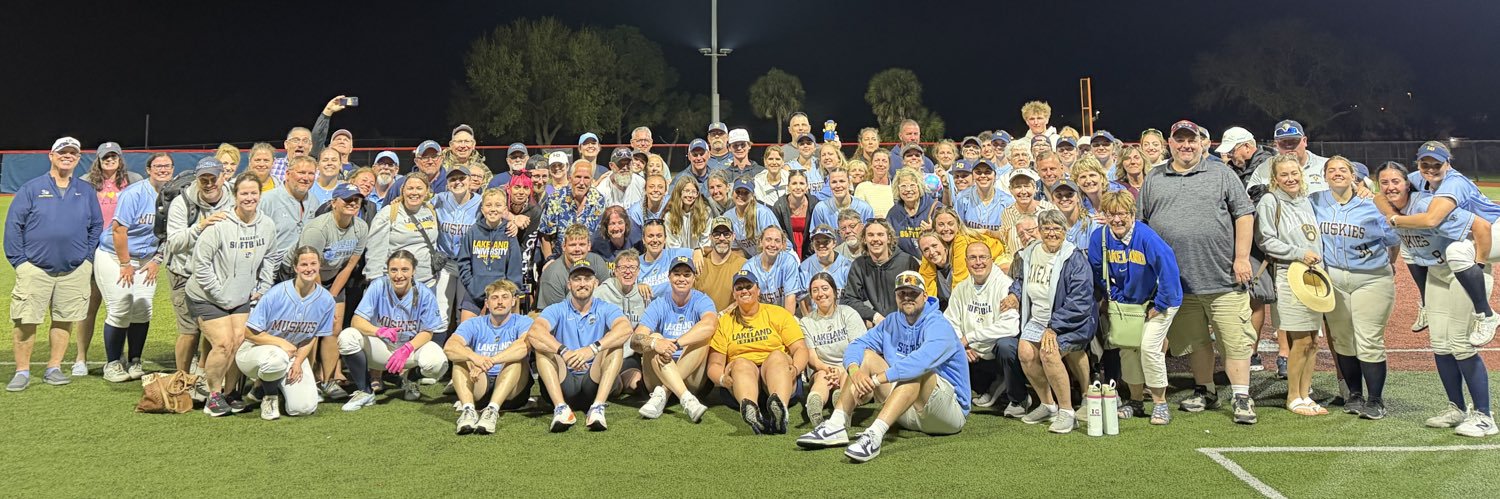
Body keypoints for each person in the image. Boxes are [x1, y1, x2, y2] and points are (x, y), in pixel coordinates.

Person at [1137, 120, 1259, 424]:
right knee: (1195, 342)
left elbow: (1244, 214)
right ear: (1170, 143)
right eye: (1180, 140)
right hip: (1178, 282)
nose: (1186, 145)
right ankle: (1205, 389)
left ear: (1202, 142)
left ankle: (1241, 396)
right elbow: (1142, 224)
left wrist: (1242, 257)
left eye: (1191, 140)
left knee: (1234, 340)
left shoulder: (1220, 173)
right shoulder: (1155, 177)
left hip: (1222, 278)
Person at [797, 271, 968, 463]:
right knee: (867, 357)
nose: (907, 298)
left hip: (946, 414)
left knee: (917, 372)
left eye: (913, 293)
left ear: (924, 296)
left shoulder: (939, 324)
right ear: (895, 297)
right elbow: (856, 346)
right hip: (904, 408)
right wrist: (854, 371)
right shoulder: (892, 322)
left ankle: (874, 435)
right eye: (902, 293)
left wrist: (877, 379)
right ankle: (837, 424)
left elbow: (920, 362)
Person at [1378, 164, 1496, 436]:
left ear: (1408, 183)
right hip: (1437, 274)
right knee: (1440, 345)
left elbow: (1480, 226)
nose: (1390, 187)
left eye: (1396, 181)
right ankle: (1456, 407)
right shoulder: (1387, 203)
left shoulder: (1428, 205)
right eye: (1384, 182)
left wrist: (1479, 265)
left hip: (1462, 273)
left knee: (1460, 343)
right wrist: (1388, 210)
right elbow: (1376, 197)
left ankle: (1484, 416)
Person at [5, 137, 105, 390]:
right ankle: (22, 371)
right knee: (26, 320)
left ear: (78, 158)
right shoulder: (32, 188)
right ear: (51, 155)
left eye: (73, 153)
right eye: (63, 152)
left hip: (74, 270)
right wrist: (20, 262)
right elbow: (13, 226)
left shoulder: (85, 191)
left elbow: (96, 225)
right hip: (35, 268)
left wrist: (87, 259)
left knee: (64, 319)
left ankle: (54, 367)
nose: (67, 156)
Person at [1384, 141, 1500, 343]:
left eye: (1437, 164)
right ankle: (1426, 304)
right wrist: (1375, 199)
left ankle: (1487, 315)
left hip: (1493, 229)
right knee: (1408, 243)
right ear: (1418, 164)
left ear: (1448, 164)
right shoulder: (1417, 178)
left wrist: (1480, 262)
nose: (1431, 169)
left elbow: (1431, 219)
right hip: (1473, 231)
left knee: (1456, 251)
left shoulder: (1454, 182)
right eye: (1425, 164)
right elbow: (1381, 196)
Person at [1314, 157, 1399, 420]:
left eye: (1343, 170)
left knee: (1368, 339)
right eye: (1332, 170)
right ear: (1325, 176)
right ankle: (1354, 394)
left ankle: (1375, 400)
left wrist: (1391, 262)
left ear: (1354, 176)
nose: (1337, 174)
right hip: (1334, 278)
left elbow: (1394, 237)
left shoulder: (1372, 203)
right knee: (1342, 338)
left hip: (1371, 277)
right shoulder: (1315, 201)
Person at [1088, 192, 1183, 425]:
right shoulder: (1099, 237)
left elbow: (1169, 273)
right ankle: (1136, 400)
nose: (1117, 219)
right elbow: (1101, 273)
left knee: (1150, 347)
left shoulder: (1147, 238)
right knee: (1127, 349)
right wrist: (1119, 297)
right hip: (1127, 303)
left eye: (1122, 213)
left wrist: (1159, 304)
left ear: (1132, 215)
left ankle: (1160, 403)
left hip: (1159, 302)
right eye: (1111, 214)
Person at [188, 173, 278, 414]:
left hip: (240, 296)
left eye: (253, 193)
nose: (249, 198)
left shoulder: (267, 225)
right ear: (235, 195)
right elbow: (201, 264)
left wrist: (263, 287)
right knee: (223, 343)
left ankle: (231, 392)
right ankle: (213, 396)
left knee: (239, 341)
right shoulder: (219, 225)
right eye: (244, 193)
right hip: (207, 296)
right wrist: (219, 293)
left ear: (260, 194)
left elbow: (271, 257)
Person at [1001, 209, 1096, 433]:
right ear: (1039, 231)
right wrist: (1014, 295)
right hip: (1038, 319)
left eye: (1057, 229)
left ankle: (1067, 412)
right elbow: (1021, 279)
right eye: (1046, 228)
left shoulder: (1074, 259)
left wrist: (1054, 327)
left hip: (1070, 321)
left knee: (1048, 352)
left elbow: (1080, 300)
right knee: (1024, 352)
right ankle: (1047, 404)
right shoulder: (1030, 252)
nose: (1052, 233)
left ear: (1065, 231)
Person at [1256, 154, 1327, 416]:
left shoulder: (1305, 201)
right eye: (1284, 174)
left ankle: (1306, 394)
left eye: (1294, 173)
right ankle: (1293, 396)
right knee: (1299, 339)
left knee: (1312, 341)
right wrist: (1299, 253)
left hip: (1313, 276)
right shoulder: (1270, 201)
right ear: (1275, 178)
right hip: (1289, 275)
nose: (1290, 178)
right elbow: (1266, 241)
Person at [526, 259, 633, 432]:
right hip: (564, 379)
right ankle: (561, 409)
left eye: (587, 278)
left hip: (592, 380)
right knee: (542, 347)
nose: (582, 283)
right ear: (569, 284)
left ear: (596, 283)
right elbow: (535, 332)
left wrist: (592, 349)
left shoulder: (606, 308)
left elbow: (625, 329)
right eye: (577, 279)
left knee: (616, 345)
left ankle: (598, 407)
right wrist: (564, 352)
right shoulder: (557, 309)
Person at [337, 250, 449, 411]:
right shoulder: (378, 286)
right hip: (382, 348)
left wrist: (407, 348)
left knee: (438, 363)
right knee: (347, 336)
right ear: (387, 271)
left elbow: (427, 331)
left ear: (413, 271)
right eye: (394, 270)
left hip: (410, 350)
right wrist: (379, 331)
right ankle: (365, 391)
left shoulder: (424, 293)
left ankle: (410, 379)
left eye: (405, 270)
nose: (399, 275)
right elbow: (356, 321)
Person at [96, 153, 174, 382]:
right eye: (158, 166)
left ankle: (135, 360)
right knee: (121, 306)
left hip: (147, 257)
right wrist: (125, 263)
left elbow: (172, 233)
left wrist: (157, 260)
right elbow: (120, 230)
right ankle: (112, 363)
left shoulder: (175, 195)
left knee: (142, 309)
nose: (163, 170)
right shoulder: (135, 193)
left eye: (167, 166)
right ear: (149, 169)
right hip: (114, 254)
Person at [239, 246, 336, 420]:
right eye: (304, 264)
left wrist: (298, 361)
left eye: (313, 263)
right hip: (254, 352)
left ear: (319, 265)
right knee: (277, 357)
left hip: (292, 355)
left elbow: (311, 337)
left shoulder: (326, 300)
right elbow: (249, 333)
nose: (309, 269)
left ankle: (266, 386)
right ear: (295, 267)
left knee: (304, 407)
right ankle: (270, 397)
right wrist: (281, 344)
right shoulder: (276, 294)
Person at [707, 270, 809, 434]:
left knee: (777, 356)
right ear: (734, 294)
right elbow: (714, 363)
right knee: (740, 363)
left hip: (778, 376)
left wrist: (795, 369)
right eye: (739, 288)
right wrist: (721, 378)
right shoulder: (724, 321)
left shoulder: (777, 313)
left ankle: (780, 409)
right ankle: (751, 408)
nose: (744, 291)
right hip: (741, 379)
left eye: (748, 286)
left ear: (758, 290)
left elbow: (801, 349)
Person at [164, 158, 234, 391]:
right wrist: (201, 227)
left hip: (217, 274)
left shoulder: (233, 198)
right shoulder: (181, 203)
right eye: (204, 178)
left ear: (223, 177)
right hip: (184, 272)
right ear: (197, 179)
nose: (209, 183)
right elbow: (173, 243)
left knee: (212, 327)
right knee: (190, 330)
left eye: (213, 177)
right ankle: (182, 379)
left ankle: (203, 374)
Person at [74, 141, 142, 375]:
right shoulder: (85, 182)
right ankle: (80, 357)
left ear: (120, 158)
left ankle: (118, 355)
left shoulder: (133, 179)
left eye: (114, 156)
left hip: (124, 251)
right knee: (90, 304)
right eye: (106, 157)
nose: (110, 160)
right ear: (99, 159)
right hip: (94, 250)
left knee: (124, 303)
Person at [297, 183, 368, 397]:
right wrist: (320, 296)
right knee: (310, 329)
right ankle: (307, 380)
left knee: (334, 328)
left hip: (334, 278)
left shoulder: (361, 227)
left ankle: (327, 381)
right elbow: (309, 265)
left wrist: (331, 296)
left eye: (356, 199)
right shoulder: (318, 229)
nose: (352, 203)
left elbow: (349, 265)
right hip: (305, 276)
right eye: (347, 199)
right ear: (333, 203)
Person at [633, 255, 718, 422]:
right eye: (677, 274)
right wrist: (657, 343)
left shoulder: (701, 300)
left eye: (687, 274)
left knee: (703, 337)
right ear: (669, 277)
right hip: (658, 373)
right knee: (654, 337)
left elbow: (710, 325)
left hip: (692, 377)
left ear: (694, 278)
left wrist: (676, 344)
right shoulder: (659, 303)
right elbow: (635, 339)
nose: (681, 279)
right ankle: (686, 399)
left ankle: (664, 392)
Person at [945, 240, 1025, 415]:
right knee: (947, 345)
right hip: (973, 353)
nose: (978, 262)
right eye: (972, 258)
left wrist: (970, 337)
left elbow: (1010, 327)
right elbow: (950, 321)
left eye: (983, 257)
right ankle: (990, 387)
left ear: (991, 260)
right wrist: (962, 345)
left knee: (1007, 345)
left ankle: (1019, 398)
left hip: (995, 350)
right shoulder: (961, 288)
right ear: (966, 262)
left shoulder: (1005, 285)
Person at [445, 279, 534, 435]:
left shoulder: (524, 321)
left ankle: (492, 411)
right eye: (494, 298)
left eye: (505, 297)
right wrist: (474, 358)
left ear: (513, 301)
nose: (500, 302)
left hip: (512, 388)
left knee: (516, 360)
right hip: (480, 383)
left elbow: (523, 347)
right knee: (460, 359)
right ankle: (468, 411)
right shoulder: (474, 323)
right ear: (486, 303)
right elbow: (450, 347)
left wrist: (490, 361)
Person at [797, 272, 868, 426]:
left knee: (846, 376)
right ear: (811, 295)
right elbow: (812, 358)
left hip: (850, 366)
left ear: (834, 292)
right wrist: (829, 368)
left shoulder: (848, 314)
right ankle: (815, 409)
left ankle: (842, 409)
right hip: (824, 370)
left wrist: (842, 369)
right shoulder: (806, 322)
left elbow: (859, 349)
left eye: (824, 288)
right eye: (815, 290)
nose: (820, 294)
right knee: (821, 376)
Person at [457, 188, 523, 321]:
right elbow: (463, 261)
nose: (493, 209)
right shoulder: (473, 231)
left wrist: (508, 293)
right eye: (488, 205)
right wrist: (472, 285)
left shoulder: (509, 232)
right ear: (482, 209)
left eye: (498, 205)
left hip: (501, 293)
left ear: (505, 210)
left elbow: (514, 267)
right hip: (475, 291)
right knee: (465, 328)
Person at [841, 219, 919, 328]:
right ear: (864, 239)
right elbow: (850, 299)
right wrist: (873, 316)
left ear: (889, 238)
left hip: (907, 323)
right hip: (876, 326)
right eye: (871, 235)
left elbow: (919, 296)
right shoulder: (859, 265)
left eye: (880, 235)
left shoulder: (907, 262)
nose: (875, 239)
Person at [260, 155, 319, 280]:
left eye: (311, 173)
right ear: (287, 174)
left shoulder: (314, 201)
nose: (306, 178)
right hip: (272, 274)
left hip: (303, 272)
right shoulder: (267, 200)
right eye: (301, 172)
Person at [537, 160, 607, 259]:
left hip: (590, 260)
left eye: (586, 178)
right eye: (578, 177)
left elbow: (602, 237)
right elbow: (545, 234)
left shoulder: (599, 200)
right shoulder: (555, 198)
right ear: (570, 178)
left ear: (591, 180)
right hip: (560, 259)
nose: (582, 183)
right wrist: (549, 261)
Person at [536, 225, 612, 310]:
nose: (577, 249)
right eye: (572, 245)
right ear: (564, 246)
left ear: (589, 246)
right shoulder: (553, 274)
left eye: (582, 244)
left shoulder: (597, 262)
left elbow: (608, 297)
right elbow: (556, 314)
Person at [739, 226, 804, 312]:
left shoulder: (789, 262)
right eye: (768, 240)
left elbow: (790, 297)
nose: (772, 245)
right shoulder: (749, 268)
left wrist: (786, 323)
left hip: (784, 314)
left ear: (782, 245)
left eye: (777, 241)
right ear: (760, 242)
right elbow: (746, 301)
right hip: (759, 316)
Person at [695, 217, 749, 310]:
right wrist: (696, 250)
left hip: (732, 321)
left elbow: (748, 297)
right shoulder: (699, 263)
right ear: (710, 237)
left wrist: (723, 315)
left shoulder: (744, 265)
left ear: (733, 236)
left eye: (726, 234)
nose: (722, 238)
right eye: (717, 234)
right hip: (703, 321)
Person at [956, 160, 1017, 243]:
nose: (983, 175)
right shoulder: (962, 198)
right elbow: (958, 228)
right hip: (969, 245)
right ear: (973, 176)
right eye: (978, 172)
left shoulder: (1007, 201)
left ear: (995, 176)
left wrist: (988, 233)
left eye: (987, 172)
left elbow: (1010, 234)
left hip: (998, 247)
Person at [998, 169, 1053, 258]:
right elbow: (1005, 243)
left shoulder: (1048, 209)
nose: (1023, 191)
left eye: (1027, 186)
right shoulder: (1007, 213)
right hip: (1016, 266)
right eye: (1018, 187)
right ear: (1010, 190)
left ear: (1035, 188)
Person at [888, 169, 937, 259]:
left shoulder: (935, 208)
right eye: (903, 186)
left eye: (912, 185)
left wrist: (933, 231)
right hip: (905, 263)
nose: (908, 190)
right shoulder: (893, 214)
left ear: (919, 187)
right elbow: (891, 243)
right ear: (897, 189)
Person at [772, 170, 821, 259]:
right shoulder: (779, 206)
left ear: (807, 187)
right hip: (786, 250)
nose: (798, 187)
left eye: (802, 183)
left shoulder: (815, 204)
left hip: (811, 250)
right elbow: (777, 233)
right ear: (788, 187)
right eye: (794, 183)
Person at [810, 168, 874, 235]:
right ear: (829, 185)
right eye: (834, 182)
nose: (838, 186)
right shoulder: (821, 208)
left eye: (842, 181)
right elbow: (815, 237)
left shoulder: (865, 208)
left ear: (849, 183)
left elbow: (869, 236)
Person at [729, 179, 781, 258]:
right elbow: (735, 249)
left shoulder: (763, 213)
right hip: (753, 259)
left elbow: (775, 244)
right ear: (732, 193)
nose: (741, 195)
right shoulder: (728, 216)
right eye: (738, 192)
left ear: (753, 196)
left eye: (746, 193)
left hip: (779, 254)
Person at [800, 225, 853, 293]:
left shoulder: (847, 266)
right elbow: (802, 299)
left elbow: (853, 297)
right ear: (812, 245)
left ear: (834, 243)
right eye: (817, 242)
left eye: (826, 242)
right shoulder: (804, 267)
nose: (821, 245)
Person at [665, 175, 711, 250]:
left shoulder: (705, 213)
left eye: (694, 192)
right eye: (687, 191)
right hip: (678, 257)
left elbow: (705, 242)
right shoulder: (670, 215)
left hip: (700, 255)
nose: (690, 195)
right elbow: (672, 245)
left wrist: (698, 253)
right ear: (679, 192)